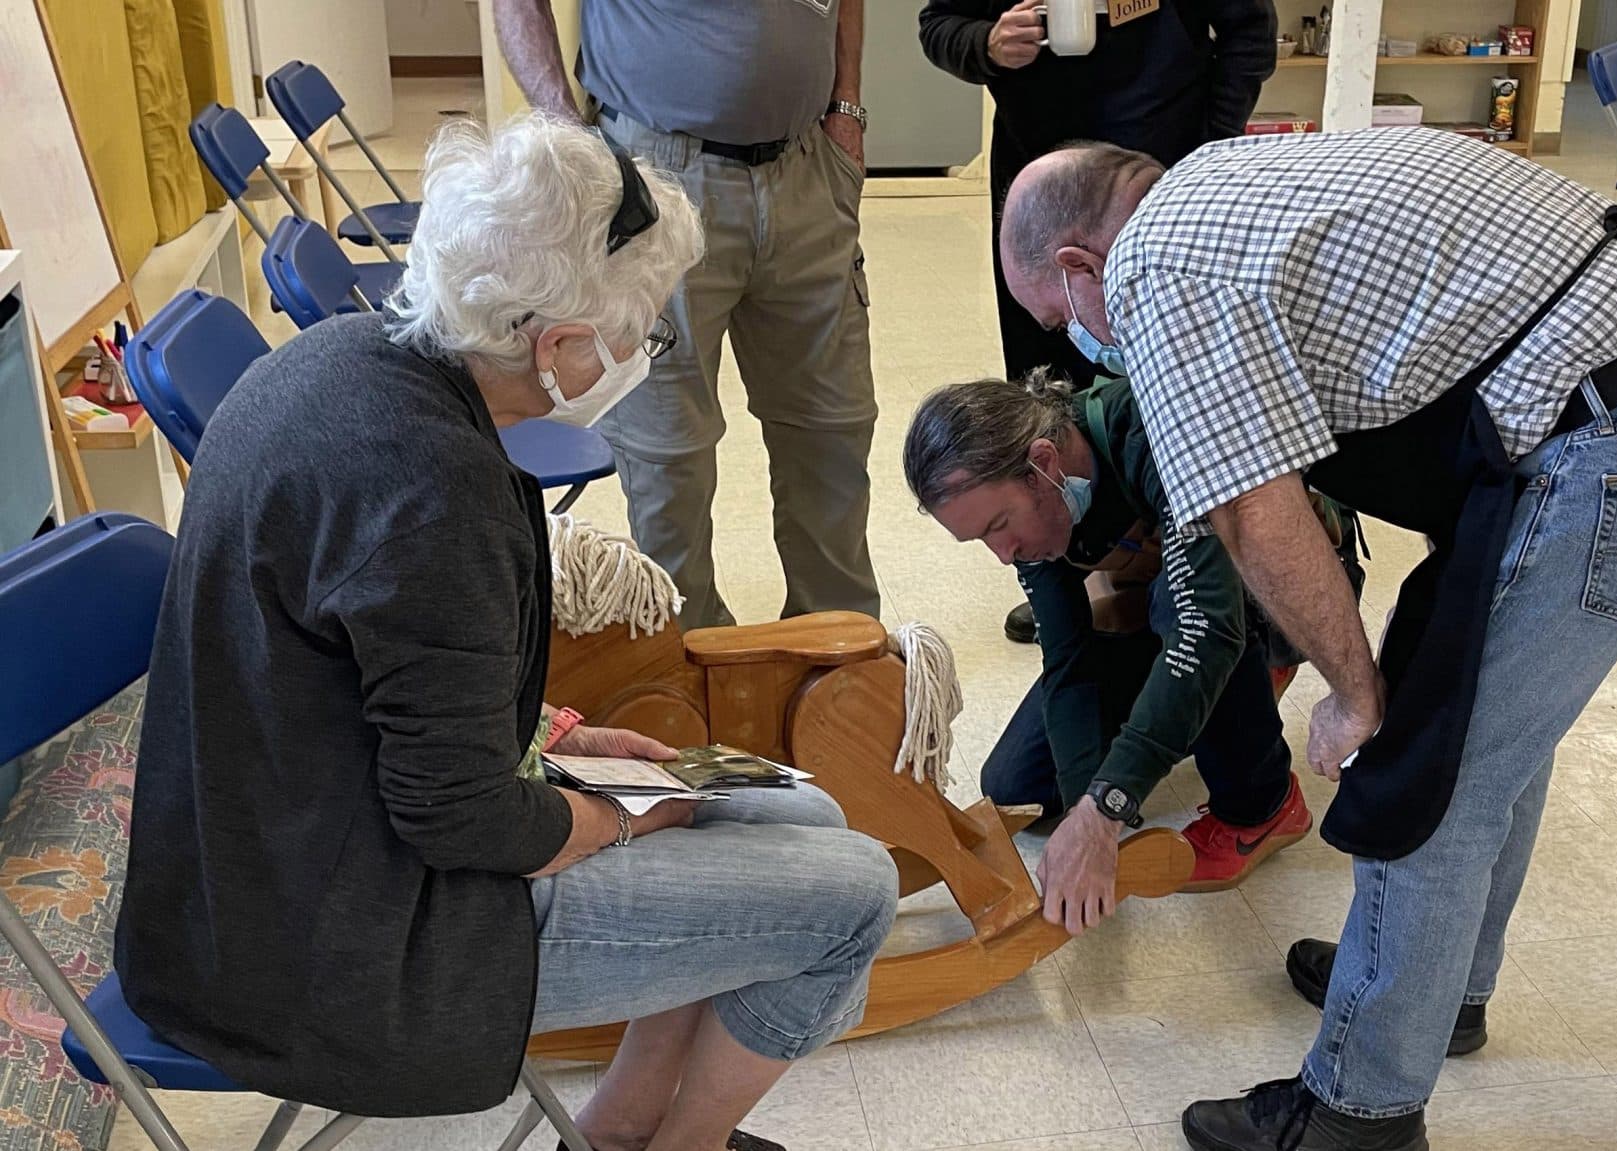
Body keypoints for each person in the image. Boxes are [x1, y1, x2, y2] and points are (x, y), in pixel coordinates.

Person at [113, 117, 898, 1151]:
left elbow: (374, 671)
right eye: (648, 330)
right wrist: (625, 820)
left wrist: (549, 735)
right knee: (854, 890)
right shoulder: (432, 489)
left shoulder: (343, 356)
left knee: (792, 810)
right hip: (342, 947)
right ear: (563, 343)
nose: (644, 353)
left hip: (260, 875)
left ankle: (617, 1129)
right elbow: (469, 824)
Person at [998, 132, 1617, 1150]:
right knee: (1479, 732)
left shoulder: (1156, 266)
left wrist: (1350, 689)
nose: (1083, 346)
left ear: (1077, 264)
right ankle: (1429, 985)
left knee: (1426, 772)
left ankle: (1354, 1112)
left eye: (1065, 320)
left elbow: (1257, 513)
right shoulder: (1222, 184)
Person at [903, 371, 1362, 921]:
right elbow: (1069, 661)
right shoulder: (1038, 507)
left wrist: (1107, 808)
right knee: (1016, 784)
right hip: (1175, 603)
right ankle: (1217, 703)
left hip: (1287, 597)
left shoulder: (1156, 435)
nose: (1003, 554)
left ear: (1043, 464)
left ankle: (1263, 806)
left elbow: (1206, 626)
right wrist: (1080, 806)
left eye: (999, 525)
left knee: (1191, 620)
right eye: (981, 539)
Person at [496, 0, 881, 630]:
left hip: (807, 167)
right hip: (656, 176)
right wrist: (569, 135)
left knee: (831, 432)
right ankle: (691, 664)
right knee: (668, 454)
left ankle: (835, 655)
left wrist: (847, 107)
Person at [917, 0, 1276, 646]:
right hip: (1036, 177)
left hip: (1152, 173)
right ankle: (1070, 572)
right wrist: (987, 45)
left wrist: (1206, 150)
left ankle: (1183, 579)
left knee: (1170, 390)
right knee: (1046, 378)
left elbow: (1251, 32)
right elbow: (939, 26)